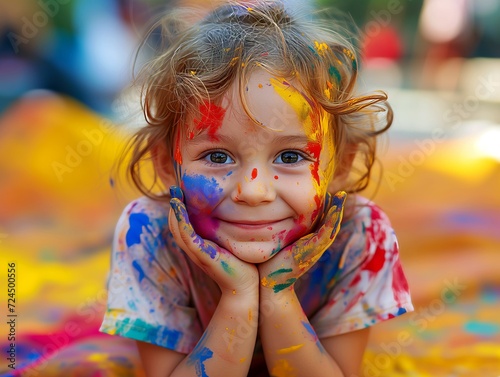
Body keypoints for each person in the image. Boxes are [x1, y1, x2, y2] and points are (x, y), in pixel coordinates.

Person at [100, 1, 413, 376]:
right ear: (168, 164)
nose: (253, 192)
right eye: (217, 157)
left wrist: (277, 296)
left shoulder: (360, 234)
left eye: (290, 156)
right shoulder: (147, 232)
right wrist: (239, 297)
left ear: (342, 165)